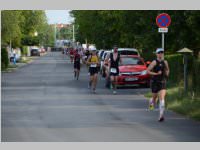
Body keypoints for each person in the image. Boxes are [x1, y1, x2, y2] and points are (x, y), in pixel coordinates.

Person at [147, 48, 170, 122]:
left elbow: (167, 69)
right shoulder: (154, 62)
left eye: (162, 52)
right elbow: (148, 71)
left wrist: (167, 73)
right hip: (155, 82)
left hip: (162, 82)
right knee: (154, 98)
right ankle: (151, 102)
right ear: (156, 54)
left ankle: (161, 116)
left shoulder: (165, 62)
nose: (160, 54)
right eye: (159, 53)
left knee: (162, 99)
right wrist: (156, 74)